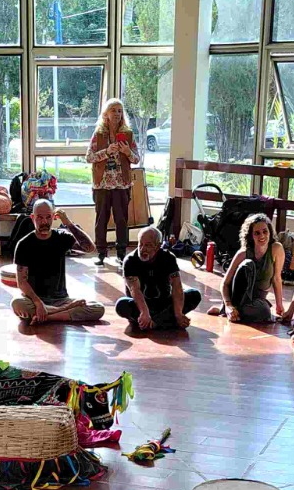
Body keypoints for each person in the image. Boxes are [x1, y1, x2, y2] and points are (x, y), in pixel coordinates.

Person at [11, 199, 104, 324]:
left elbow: (89, 248)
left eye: (48, 217)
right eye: (40, 218)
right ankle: (62, 311)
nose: (44, 222)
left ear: (54, 217)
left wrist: (68, 224)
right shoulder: (24, 244)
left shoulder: (62, 237)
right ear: (32, 218)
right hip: (35, 299)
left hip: (61, 300)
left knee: (98, 308)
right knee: (17, 303)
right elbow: (21, 282)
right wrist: (38, 303)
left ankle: (48, 316)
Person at [115, 226, 201, 335]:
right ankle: (163, 321)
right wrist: (144, 312)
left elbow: (177, 286)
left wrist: (178, 313)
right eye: (140, 244)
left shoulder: (168, 258)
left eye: (148, 245)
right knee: (121, 305)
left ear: (158, 246)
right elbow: (135, 290)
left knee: (194, 294)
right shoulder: (130, 261)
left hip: (164, 304)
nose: (142, 249)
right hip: (140, 306)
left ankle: (155, 322)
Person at [87, 98, 141, 265]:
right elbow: (89, 157)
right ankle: (101, 253)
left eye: (120, 111)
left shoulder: (128, 135)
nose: (117, 114)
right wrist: (106, 151)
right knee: (101, 220)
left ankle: (121, 253)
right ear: (106, 114)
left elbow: (136, 159)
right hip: (101, 185)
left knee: (121, 220)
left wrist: (127, 151)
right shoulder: (98, 135)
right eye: (113, 110)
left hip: (121, 185)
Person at [222, 213, 287, 325]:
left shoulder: (276, 249)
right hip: (239, 298)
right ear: (251, 236)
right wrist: (228, 305)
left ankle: (234, 313)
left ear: (270, 232)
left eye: (265, 231)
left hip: (257, 300)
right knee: (248, 264)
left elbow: (276, 278)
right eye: (257, 233)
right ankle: (232, 310)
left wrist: (279, 305)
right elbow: (225, 283)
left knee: (265, 311)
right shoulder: (243, 253)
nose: (262, 236)